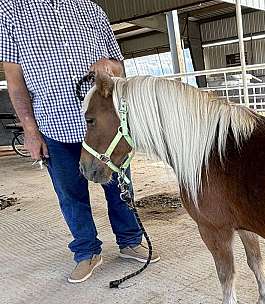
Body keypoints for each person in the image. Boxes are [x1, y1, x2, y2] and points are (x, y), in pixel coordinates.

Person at [0, 0, 160, 283]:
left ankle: (130, 241)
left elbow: (119, 67)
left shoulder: (91, 9)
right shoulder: (10, 11)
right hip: (54, 123)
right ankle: (87, 251)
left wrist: (108, 65)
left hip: (105, 126)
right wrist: (30, 130)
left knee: (120, 187)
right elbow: (15, 82)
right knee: (70, 194)